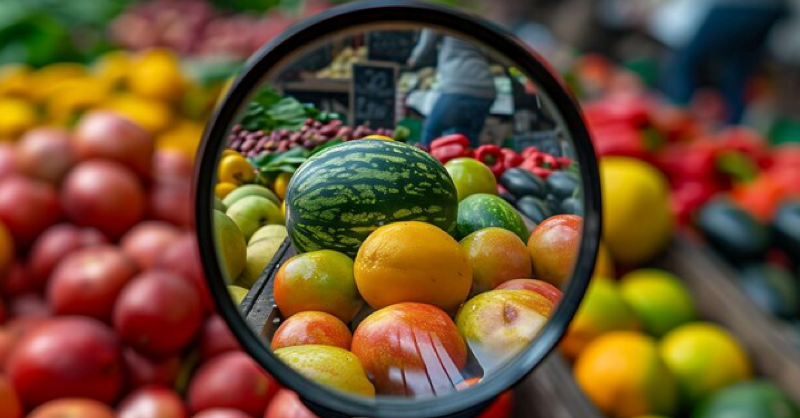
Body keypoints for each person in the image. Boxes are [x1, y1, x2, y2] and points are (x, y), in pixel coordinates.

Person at [647, 0, 789, 123]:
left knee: (686, 62)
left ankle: (677, 119)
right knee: (738, 72)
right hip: (770, 8)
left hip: (734, 5)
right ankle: (732, 130)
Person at [407, 29, 497, 147]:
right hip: (486, 87)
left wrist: (414, 59)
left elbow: (429, 36)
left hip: (459, 85)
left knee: (432, 131)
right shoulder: (479, 22)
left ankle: (424, 159)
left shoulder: (448, 19)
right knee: (466, 138)